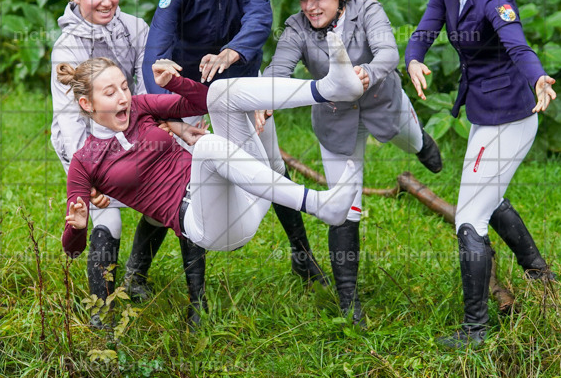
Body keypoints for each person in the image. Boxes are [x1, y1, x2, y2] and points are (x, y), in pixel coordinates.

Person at [59, 33, 367, 325]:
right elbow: (72, 250)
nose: (124, 98)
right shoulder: (84, 162)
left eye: (125, 87)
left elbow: (204, 103)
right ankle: (316, 204)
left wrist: (176, 82)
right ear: (87, 104)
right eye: (110, 93)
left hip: (246, 195)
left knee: (223, 92)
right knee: (206, 145)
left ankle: (328, 90)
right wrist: (78, 226)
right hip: (210, 226)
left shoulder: (140, 107)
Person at [142, 0, 328, 287]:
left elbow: (260, 16)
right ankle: (142, 277)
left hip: (241, 79)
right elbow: (159, 35)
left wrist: (233, 51)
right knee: (185, 186)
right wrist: (165, 99)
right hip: (190, 88)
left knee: (273, 166)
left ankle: (303, 257)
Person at [263, 0, 444, 325]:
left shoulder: (368, 11)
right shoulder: (297, 27)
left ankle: (423, 143)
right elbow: (279, 68)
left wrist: (366, 73)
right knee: (343, 207)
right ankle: (349, 302)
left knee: (411, 141)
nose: (310, 6)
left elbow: (388, 53)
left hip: (382, 102)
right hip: (335, 121)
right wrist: (265, 97)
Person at [405, 0, 558, 349]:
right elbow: (423, 31)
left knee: (469, 219)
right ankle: (541, 275)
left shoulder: (497, 0)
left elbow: (518, 47)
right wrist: (414, 58)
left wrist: (538, 79)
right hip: (482, 116)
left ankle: (476, 330)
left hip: (511, 119)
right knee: (485, 201)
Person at [50, 0, 207, 327]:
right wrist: (89, 179)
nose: (107, 2)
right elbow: (70, 120)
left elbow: (143, 88)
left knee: (168, 196)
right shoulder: (66, 47)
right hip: (88, 148)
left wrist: (171, 126)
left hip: (133, 126)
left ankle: (138, 275)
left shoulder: (135, 27)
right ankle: (99, 308)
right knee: (109, 215)